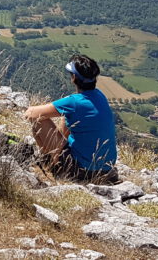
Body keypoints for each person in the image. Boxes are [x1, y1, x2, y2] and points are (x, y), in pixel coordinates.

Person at [24, 54, 118, 182]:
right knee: (66, 116)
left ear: (73, 78)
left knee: (39, 120)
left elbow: (30, 113)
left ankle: (50, 163)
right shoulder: (99, 95)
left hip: (80, 171)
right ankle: (55, 159)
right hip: (107, 170)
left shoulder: (74, 102)